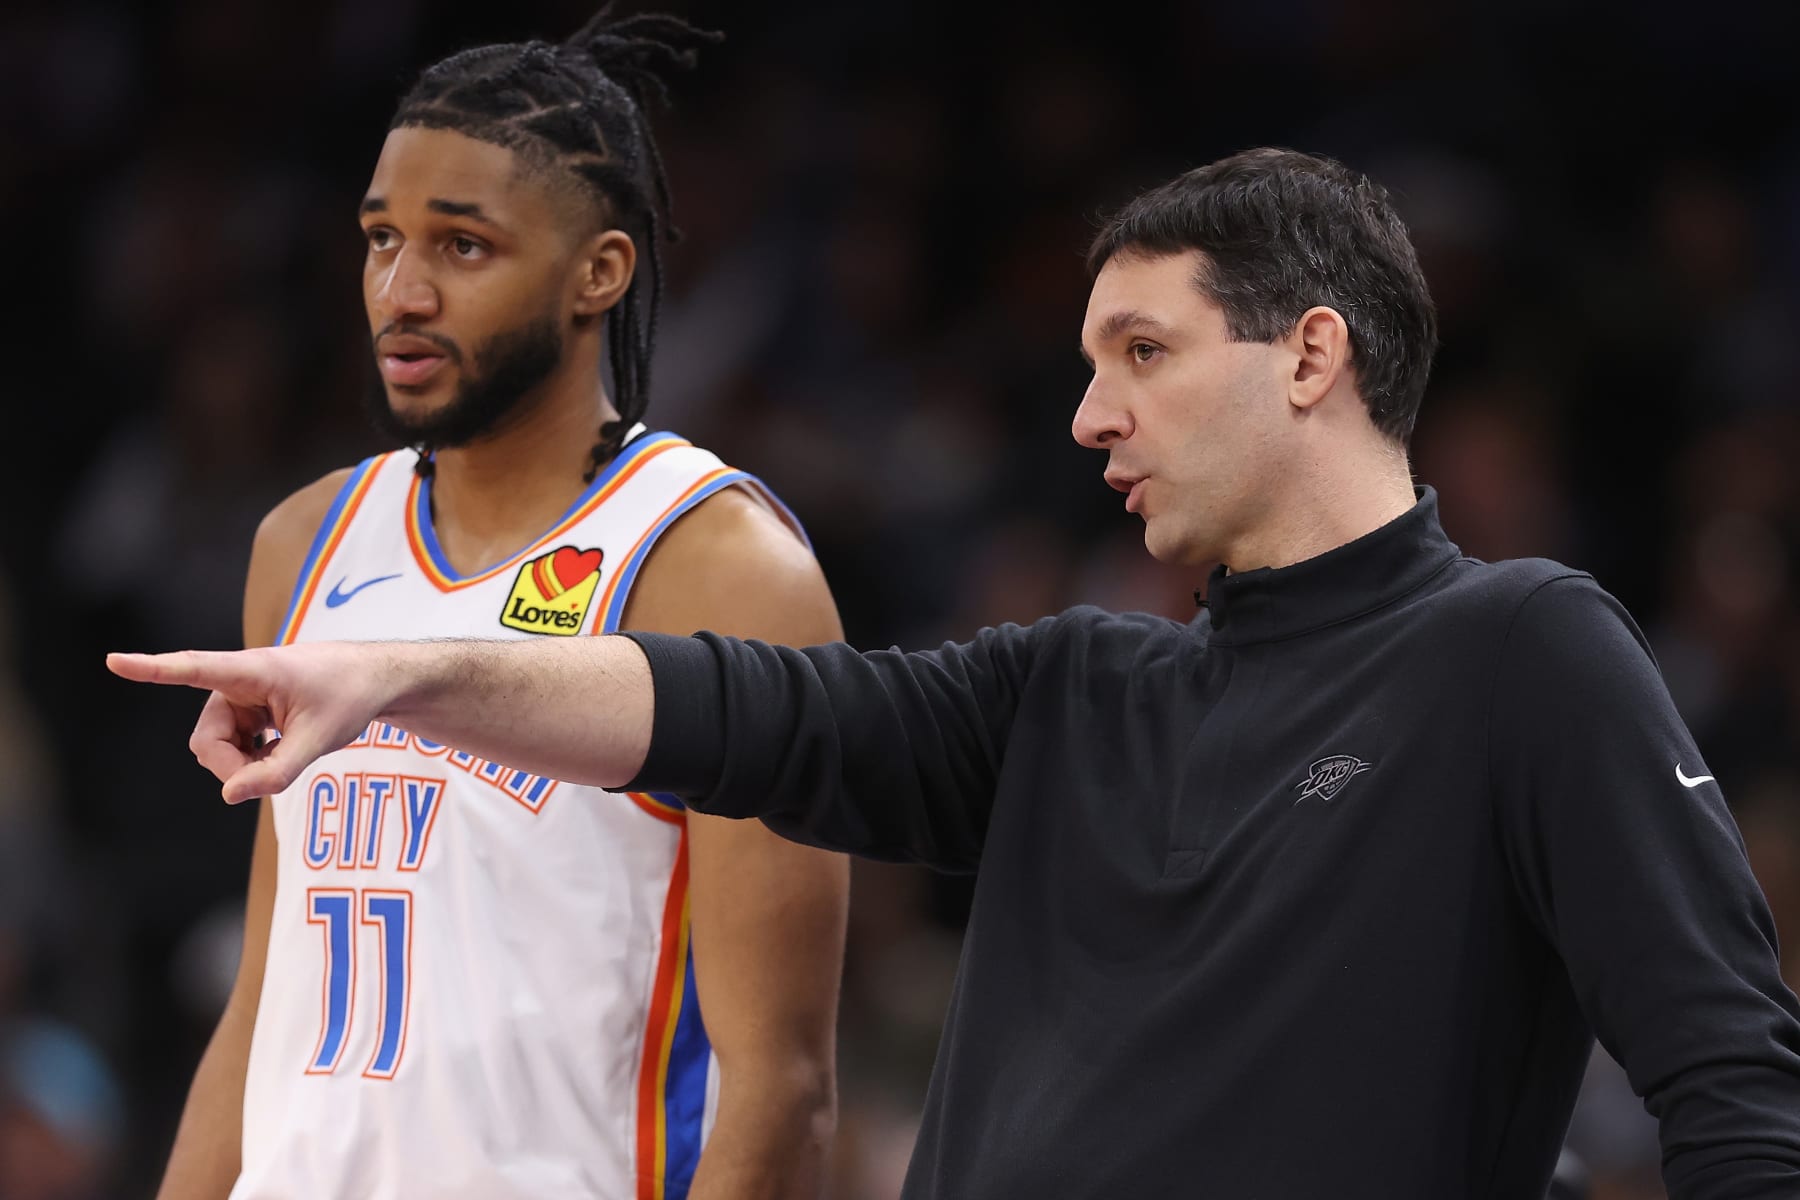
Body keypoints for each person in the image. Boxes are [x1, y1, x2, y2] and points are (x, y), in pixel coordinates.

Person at [112, 149, 1800, 1198]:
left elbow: (1736, 1093)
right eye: (1083, 364)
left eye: (1142, 353)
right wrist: (404, 677)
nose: (1089, 417)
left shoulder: (1521, 652)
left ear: (1312, 354)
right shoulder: (1075, 687)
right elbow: (732, 706)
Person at [141, 11, 849, 1200]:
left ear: (600, 272)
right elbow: (269, 992)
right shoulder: (304, 544)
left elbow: (779, 1087)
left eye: (462, 247)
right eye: (380, 240)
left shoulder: (719, 566)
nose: (401, 291)